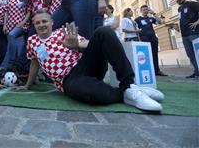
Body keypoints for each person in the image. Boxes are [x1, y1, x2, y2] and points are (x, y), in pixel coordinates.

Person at [18, 9, 164, 112]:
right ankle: (128, 93)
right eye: (37, 23)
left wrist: (76, 46)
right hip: (67, 80)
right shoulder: (32, 41)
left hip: (86, 65)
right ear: (34, 25)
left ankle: (129, 85)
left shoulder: (63, 32)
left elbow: (90, 44)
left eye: (44, 21)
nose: (41, 25)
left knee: (104, 32)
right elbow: (34, 63)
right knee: (88, 93)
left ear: (51, 22)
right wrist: (27, 85)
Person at [135, 5, 167, 76]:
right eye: (144, 10)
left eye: (146, 9)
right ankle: (148, 71)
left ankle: (157, 71)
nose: (145, 11)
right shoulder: (137, 19)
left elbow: (160, 22)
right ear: (141, 11)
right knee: (145, 56)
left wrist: (154, 14)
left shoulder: (151, 18)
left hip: (153, 39)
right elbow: (136, 31)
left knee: (154, 55)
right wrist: (139, 40)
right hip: (144, 40)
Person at [173, 0, 199, 78]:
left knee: (197, 53)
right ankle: (197, 71)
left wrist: (197, 22)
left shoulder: (191, 4)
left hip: (194, 33)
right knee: (190, 54)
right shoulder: (180, 8)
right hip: (184, 35)